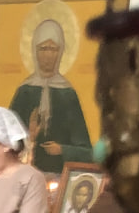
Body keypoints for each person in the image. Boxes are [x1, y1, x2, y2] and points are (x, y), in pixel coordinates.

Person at [10, 16, 93, 174]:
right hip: (24, 174)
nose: (48, 55)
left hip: (61, 175)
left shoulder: (68, 94)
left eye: (53, 49)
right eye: (43, 48)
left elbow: (86, 150)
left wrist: (62, 149)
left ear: (60, 52)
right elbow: (7, 141)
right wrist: (30, 138)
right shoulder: (25, 91)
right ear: (34, 51)